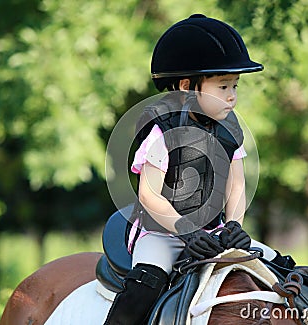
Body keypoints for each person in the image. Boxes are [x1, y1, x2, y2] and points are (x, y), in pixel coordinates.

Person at [104, 13, 264, 325]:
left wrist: (234, 226)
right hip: (162, 234)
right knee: (145, 285)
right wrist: (187, 231)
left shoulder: (231, 130)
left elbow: (236, 186)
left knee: (278, 266)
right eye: (222, 86)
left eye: (234, 85)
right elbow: (150, 196)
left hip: (215, 232)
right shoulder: (161, 133)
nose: (232, 95)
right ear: (186, 86)